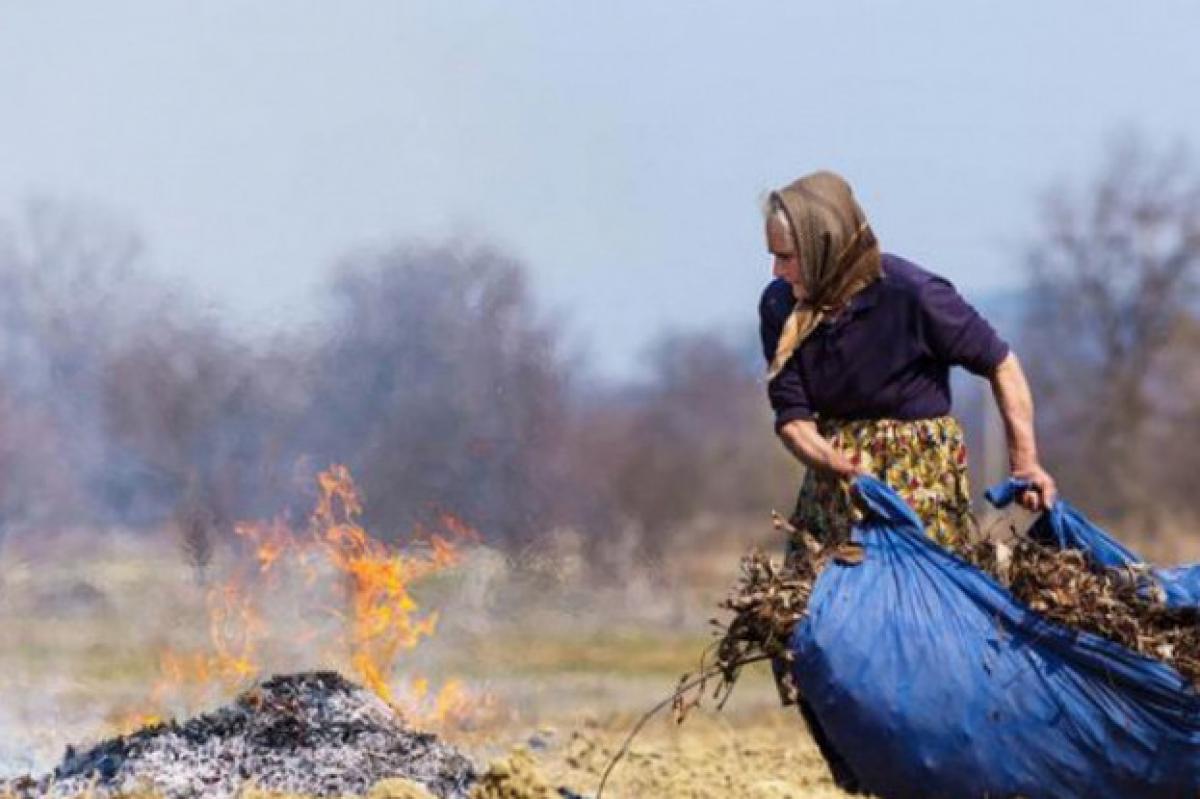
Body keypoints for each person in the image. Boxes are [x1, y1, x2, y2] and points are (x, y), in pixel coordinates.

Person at [759, 170, 1057, 550]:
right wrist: (840, 467)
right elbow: (793, 417)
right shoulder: (779, 307)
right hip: (833, 484)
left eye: (787, 257)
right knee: (819, 601)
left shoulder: (913, 294)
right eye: (773, 257)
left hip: (919, 483)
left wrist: (1024, 462)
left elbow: (1001, 364)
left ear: (824, 247)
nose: (776, 272)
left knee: (922, 599)